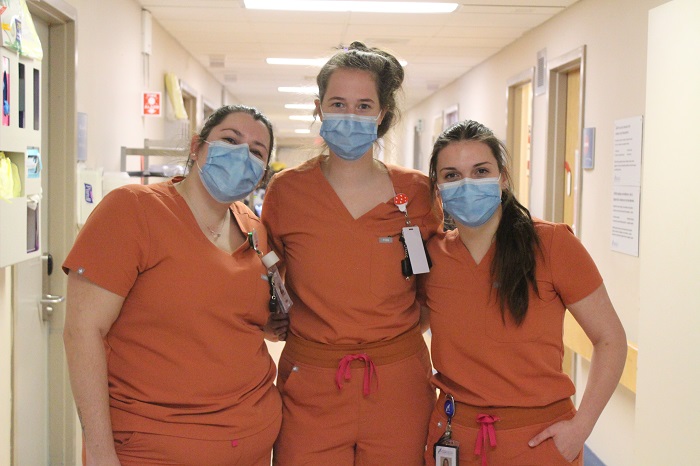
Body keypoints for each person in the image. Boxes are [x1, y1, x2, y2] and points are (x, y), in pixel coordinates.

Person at [63, 105, 287, 466]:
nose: (241, 155)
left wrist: (270, 323)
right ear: (197, 147)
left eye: (256, 151)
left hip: (253, 441)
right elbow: (81, 332)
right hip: (154, 445)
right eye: (230, 140)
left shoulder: (252, 228)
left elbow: (228, 313)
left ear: (262, 173)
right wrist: (101, 454)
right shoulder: (133, 211)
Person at [261, 41, 440, 465]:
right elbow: (268, 280)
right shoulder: (287, 192)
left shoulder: (415, 192)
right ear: (319, 108)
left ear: (381, 115)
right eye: (338, 103)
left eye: (364, 105)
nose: (350, 115)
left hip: (398, 382)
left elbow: (432, 285)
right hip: (312, 382)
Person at [421, 120, 627, 465]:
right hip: (454, 438)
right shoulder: (433, 257)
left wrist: (582, 427)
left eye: (480, 171)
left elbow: (611, 339)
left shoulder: (552, 244)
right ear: (438, 186)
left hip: (539, 441)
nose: (467, 184)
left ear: (502, 177)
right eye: (452, 175)